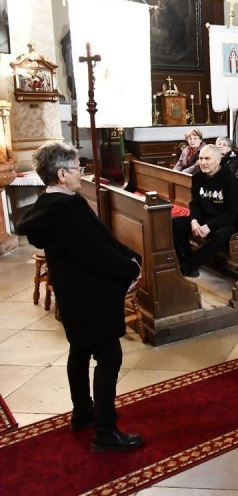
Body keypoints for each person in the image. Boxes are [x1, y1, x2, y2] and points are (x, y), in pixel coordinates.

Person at [17, 141, 144, 451]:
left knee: (80, 350)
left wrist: (129, 256)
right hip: (90, 294)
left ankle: (83, 411)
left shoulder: (50, 204)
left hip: (72, 292)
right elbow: (95, 253)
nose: (81, 173)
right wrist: (130, 270)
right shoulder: (67, 209)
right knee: (108, 356)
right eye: (78, 168)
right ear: (62, 174)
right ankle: (104, 431)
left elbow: (98, 239)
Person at [172, 144, 238, 278]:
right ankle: (186, 259)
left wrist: (209, 227)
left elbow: (232, 213)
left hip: (222, 221)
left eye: (207, 159)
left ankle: (190, 264)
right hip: (203, 218)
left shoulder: (229, 179)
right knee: (176, 223)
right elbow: (195, 203)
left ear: (218, 160)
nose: (203, 162)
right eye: (201, 158)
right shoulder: (197, 177)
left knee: (221, 236)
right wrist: (194, 221)